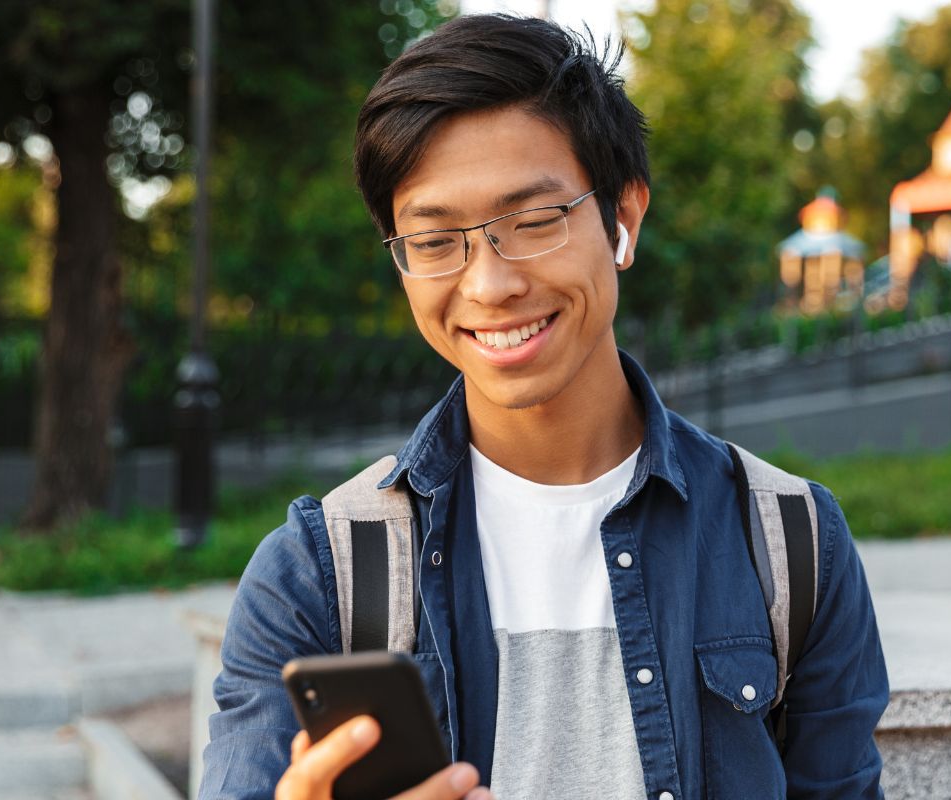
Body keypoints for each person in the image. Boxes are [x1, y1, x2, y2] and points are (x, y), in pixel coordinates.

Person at [199, 14, 888, 800]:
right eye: (433, 241)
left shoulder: (791, 543)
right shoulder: (317, 578)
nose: (489, 285)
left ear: (623, 217)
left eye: (532, 222)